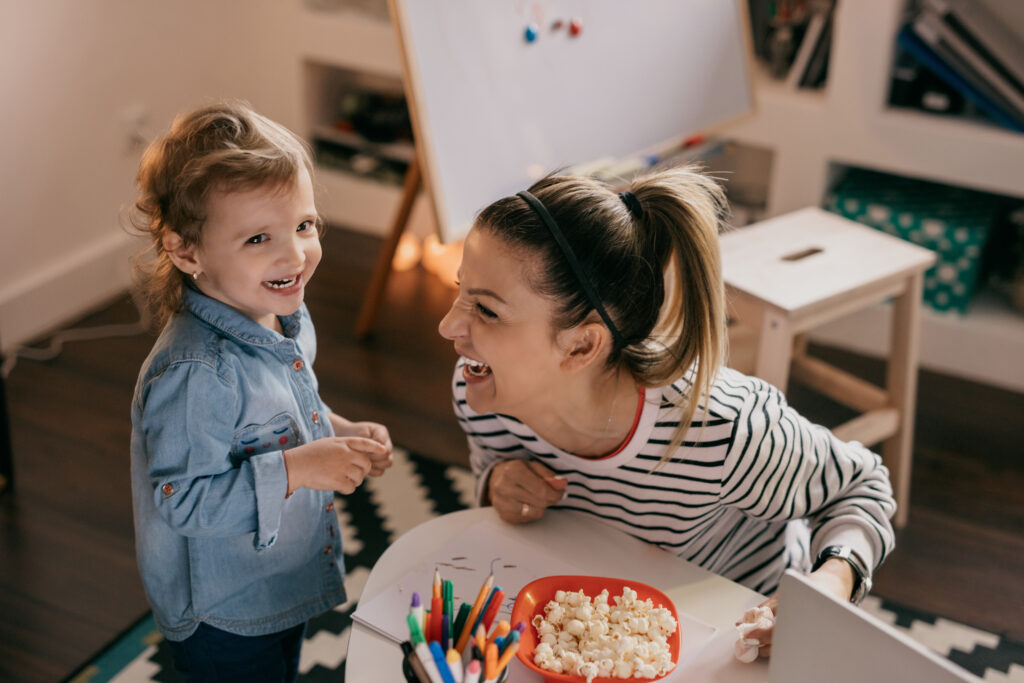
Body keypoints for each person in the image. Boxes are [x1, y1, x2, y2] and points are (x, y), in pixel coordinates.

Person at [438, 166, 896, 658]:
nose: (448, 326)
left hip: (732, 644)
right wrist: (497, 481)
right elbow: (490, 467)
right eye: (460, 290)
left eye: (486, 310)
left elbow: (862, 486)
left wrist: (826, 588)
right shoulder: (481, 390)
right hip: (597, 636)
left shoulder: (723, 429)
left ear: (580, 347)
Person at [128, 101, 394, 682]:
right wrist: (301, 468)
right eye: (258, 239)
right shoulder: (195, 373)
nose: (295, 254)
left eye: (304, 225)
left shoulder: (282, 316)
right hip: (225, 609)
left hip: (275, 583)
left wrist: (339, 430)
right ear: (186, 252)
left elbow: (287, 411)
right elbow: (185, 500)